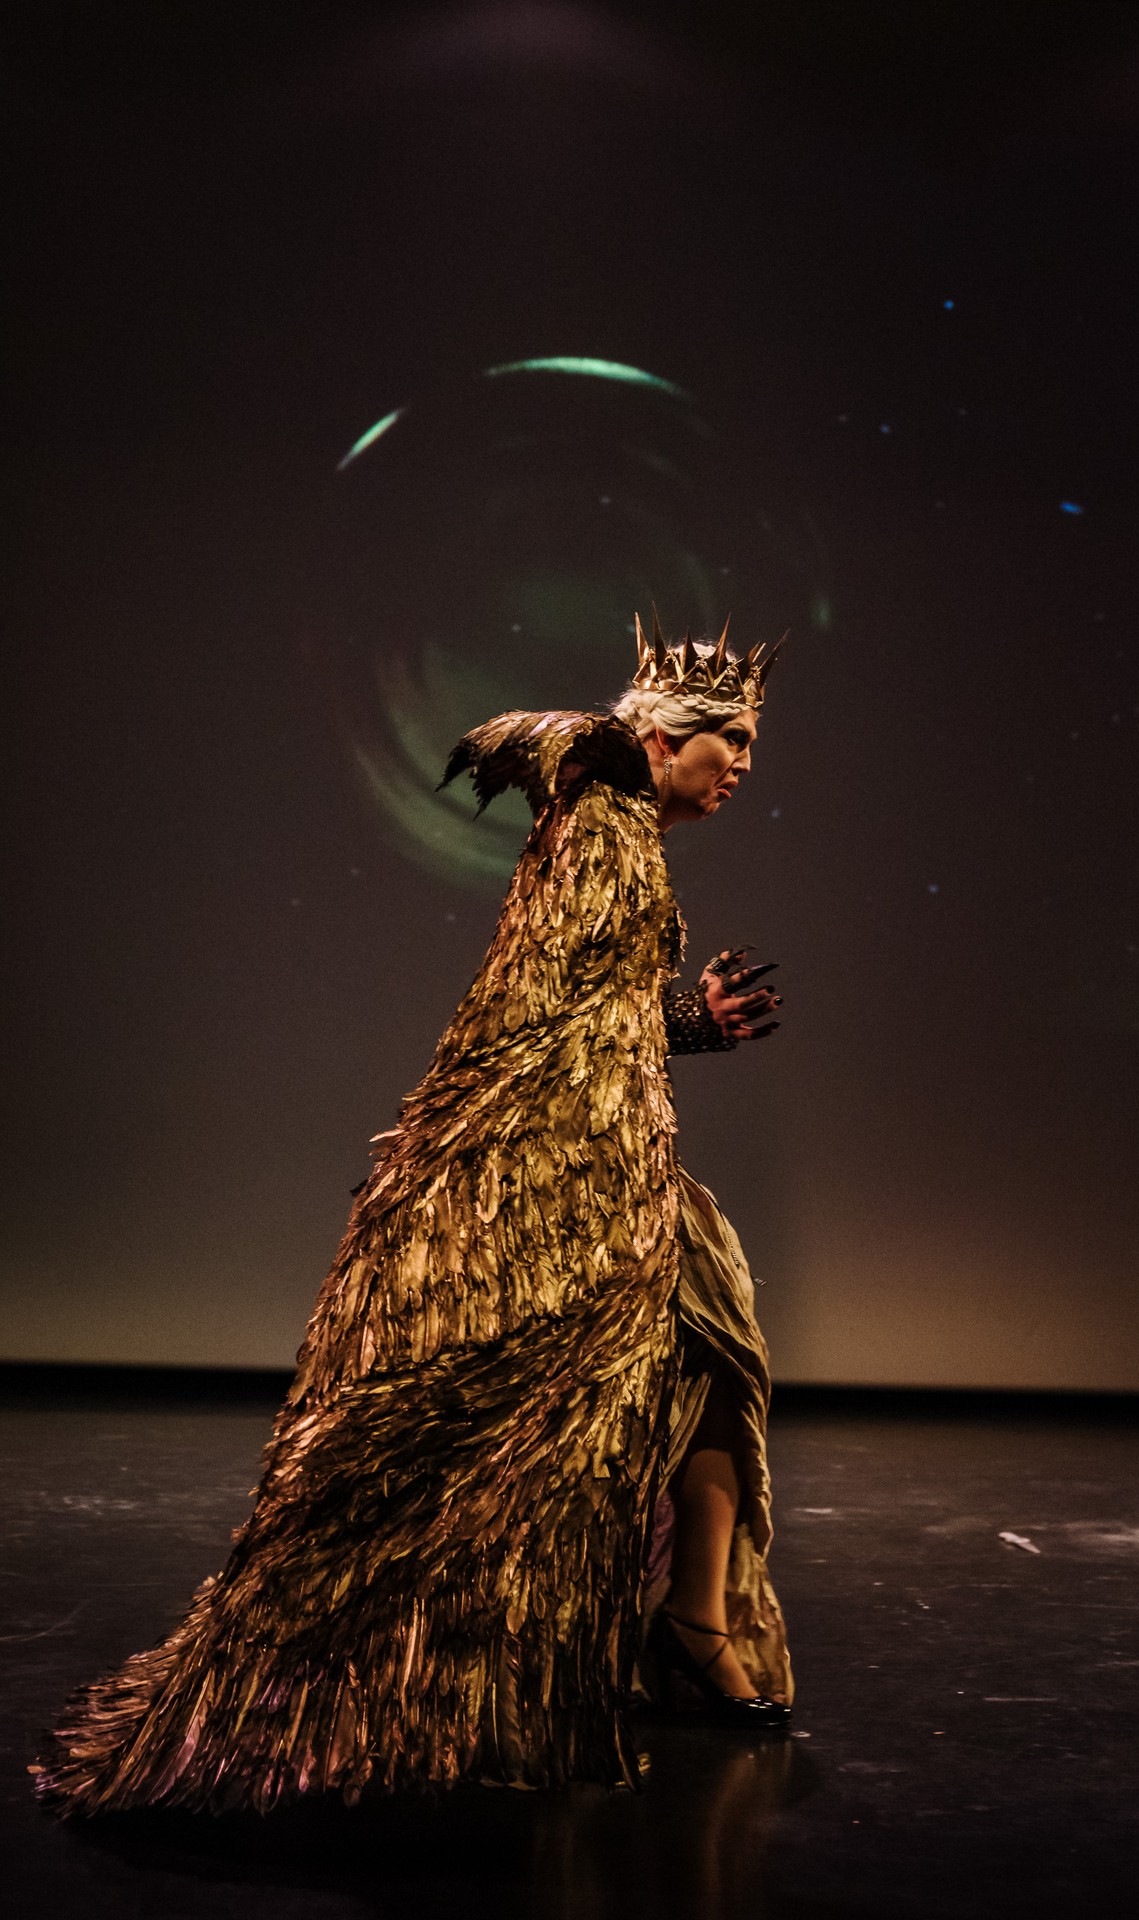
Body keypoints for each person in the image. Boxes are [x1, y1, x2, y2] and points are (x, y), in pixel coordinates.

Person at [33, 614, 792, 1815]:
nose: (744, 761)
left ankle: (693, 1621)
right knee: (513, 1413)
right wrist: (592, 743)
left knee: (713, 1350)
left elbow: (578, 1007)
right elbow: (538, 992)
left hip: (604, 1150)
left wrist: (686, 1021)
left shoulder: (626, 835)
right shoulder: (604, 810)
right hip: (551, 1176)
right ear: (663, 736)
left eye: (751, 741)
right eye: (730, 738)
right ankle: (443, 1673)